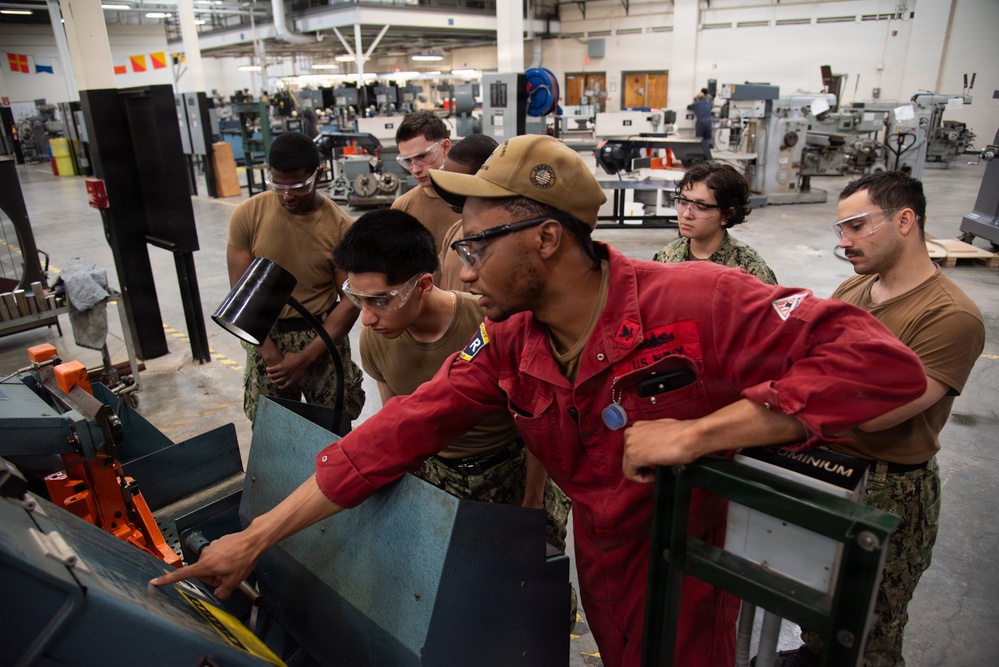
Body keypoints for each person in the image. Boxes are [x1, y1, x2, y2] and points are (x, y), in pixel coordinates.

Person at [154, 135, 927, 667]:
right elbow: (390, 435)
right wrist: (257, 536)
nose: (462, 270)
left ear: (546, 238)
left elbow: (880, 367)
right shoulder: (509, 344)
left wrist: (702, 432)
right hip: (599, 558)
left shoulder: (698, 298)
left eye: (476, 244)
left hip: (687, 568)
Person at [765, 172, 985, 667]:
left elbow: (877, 414)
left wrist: (800, 392)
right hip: (828, 470)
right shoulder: (855, 289)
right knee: (819, 612)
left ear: (905, 220)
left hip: (888, 491)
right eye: (839, 229)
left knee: (866, 635)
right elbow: (805, 367)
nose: (844, 242)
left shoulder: (950, 316)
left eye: (856, 226)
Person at [333, 209, 575, 626]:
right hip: (438, 477)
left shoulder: (489, 323)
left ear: (423, 285)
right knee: (460, 598)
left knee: (534, 596)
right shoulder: (376, 340)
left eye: (379, 300)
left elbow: (535, 423)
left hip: (513, 468)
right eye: (357, 299)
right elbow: (396, 419)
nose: (367, 317)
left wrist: (532, 501)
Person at [226, 131, 365, 425]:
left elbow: (350, 302)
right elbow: (241, 295)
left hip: (321, 335)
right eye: (278, 185)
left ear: (319, 173)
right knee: (272, 430)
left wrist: (306, 357)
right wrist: (273, 357)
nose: (287, 195)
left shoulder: (340, 227)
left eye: (299, 186)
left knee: (331, 426)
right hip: (264, 334)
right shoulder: (248, 215)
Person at [654, 161, 777, 284]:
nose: (686, 214)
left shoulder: (749, 270)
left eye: (701, 207)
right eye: (683, 202)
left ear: (727, 214)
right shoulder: (667, 256)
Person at [390, 110, 462, 253]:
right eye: (408, 161)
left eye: (422, 156)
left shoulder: (473, 201)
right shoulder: (403, 208)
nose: (415, 169)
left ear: (445, 147)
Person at [436, 134, 499, 292]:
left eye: (458, 185)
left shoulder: (501, 239)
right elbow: (447, 294)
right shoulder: (454, 231)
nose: (449, 193)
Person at [688, 91, 713, 159]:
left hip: (701, 122)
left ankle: (700, 154)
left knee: (699, 139)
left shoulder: (696, 104)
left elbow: (688, 107)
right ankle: (707, 154)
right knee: (707, 138)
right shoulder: (708, 103)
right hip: (709, 122)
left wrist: (695, 101)